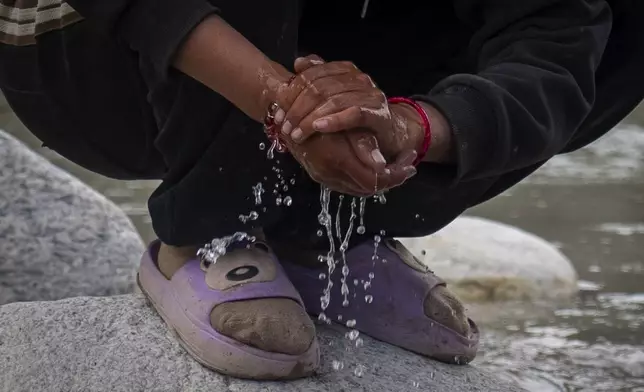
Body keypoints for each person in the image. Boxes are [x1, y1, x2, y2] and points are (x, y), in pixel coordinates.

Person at [1, 0, 642, 381]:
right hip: (98, 51)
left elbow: (551, 46)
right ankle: (209, 230)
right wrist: (283, 100)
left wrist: (412, 128)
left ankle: (326, 231)